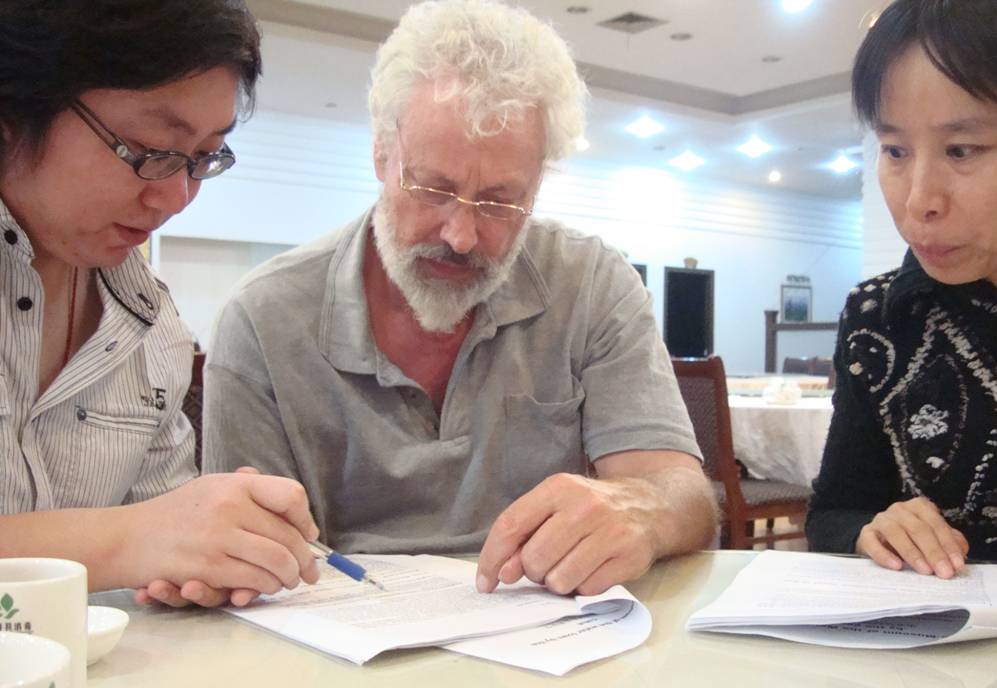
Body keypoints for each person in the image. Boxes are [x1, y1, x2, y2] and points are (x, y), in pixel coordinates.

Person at [204, 0, 716, 597]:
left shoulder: (593, 285)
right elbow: (243, 557)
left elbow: (683, 495)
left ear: (538, 185)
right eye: (433, 188)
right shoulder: (264, 318)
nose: (462, 235)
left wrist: (641, 511)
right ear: (379, 153)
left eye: (501, 201)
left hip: (548, 639)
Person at [0, 0, 320, 607]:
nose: (176, 197)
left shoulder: (152, 328)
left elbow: (157, 538)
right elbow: (137, 535)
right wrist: (129, 541)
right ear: (14, 110)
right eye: (149, 149)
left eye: (203, 159)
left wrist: (204, 549)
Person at [807, 0, 997, 576]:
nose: (920, 201)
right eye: (895, 151)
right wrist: (875, 528)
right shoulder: (880, 315)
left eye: (961, 151)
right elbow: (834, 512)